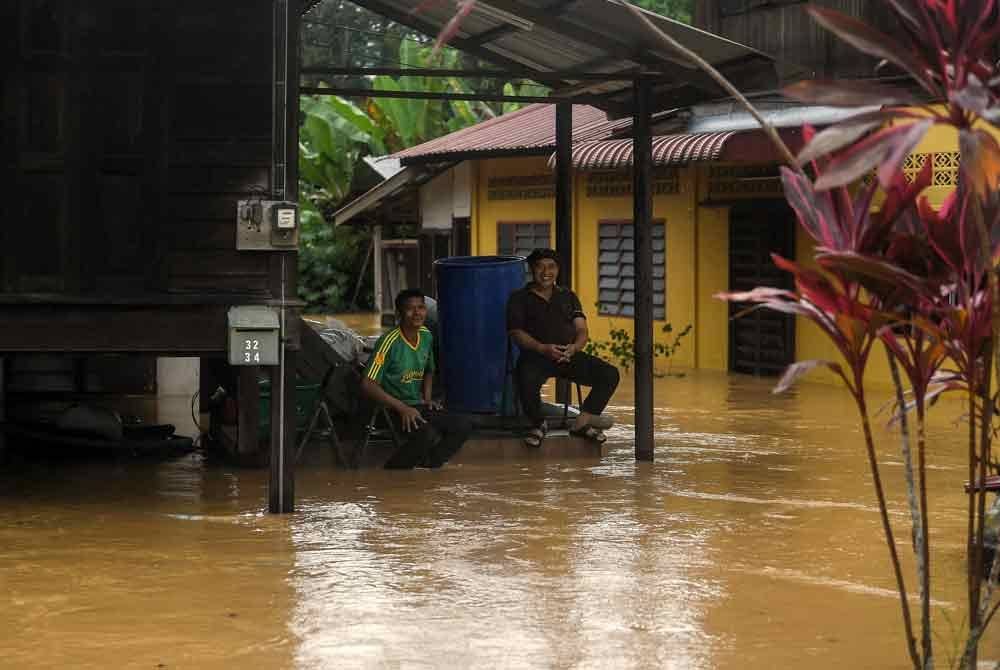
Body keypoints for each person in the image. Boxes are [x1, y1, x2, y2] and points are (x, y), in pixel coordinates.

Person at [506, 248, 620, 447]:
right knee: (524, 376)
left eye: (551, 267)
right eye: (540, 267)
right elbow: (516, 333)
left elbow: (582, 329)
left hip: (567, 355)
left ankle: (581, 423)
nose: (546, 272)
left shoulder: (568, 296)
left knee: (610, 374)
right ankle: (538, 424)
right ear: (532, 269)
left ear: (557, 270)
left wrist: (574, 348)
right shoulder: (519, 298)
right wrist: (542, 348)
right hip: (536, 356)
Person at [361, 289, 471, 469]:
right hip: (390, 409)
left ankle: (428, 465)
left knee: (463, 425)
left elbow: (429, 370)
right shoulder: (388, 342)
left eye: (421, 307)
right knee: (427, 434)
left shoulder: (426, 335)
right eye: (410, 309)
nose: (417, 313)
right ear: (399, 313)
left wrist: (427, 399)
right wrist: (402, 408)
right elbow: (368, 384)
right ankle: (392, 471)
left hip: (416, 405)